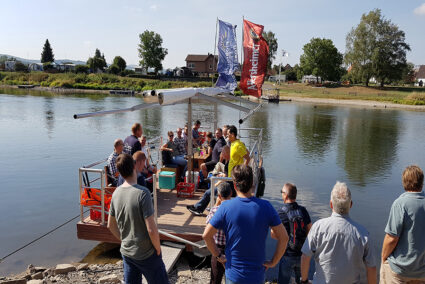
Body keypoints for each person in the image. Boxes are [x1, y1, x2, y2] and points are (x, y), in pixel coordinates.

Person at [203, 165, 289, 284]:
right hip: (257, 275)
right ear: (252, 183)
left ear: (234, 185)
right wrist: (274, 261)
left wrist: (218, 256)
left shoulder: (225, 207)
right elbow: (284, 238)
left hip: (233, 274)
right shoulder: (266, 207)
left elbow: (206, 235)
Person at [107, 153, 169, 284]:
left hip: (127, 252)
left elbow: (110, 226)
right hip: (146, 253)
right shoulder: (143, 193)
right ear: (134, 165)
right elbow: (151, 229)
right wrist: (158, 248)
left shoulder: (116, 193)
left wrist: (124, 240)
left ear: (120, 171)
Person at [300, 181, 376, 284]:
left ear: (331, 204)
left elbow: (305, 257)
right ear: (351, 204)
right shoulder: (363, 234)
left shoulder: (318, 227)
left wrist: (304, 281)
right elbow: (371, 268)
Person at [380, 165, 425, 283]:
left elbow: (391, 238)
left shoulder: (400, 204)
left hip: (400, 269)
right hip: (422, 271)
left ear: (404, 182)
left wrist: (383, 257)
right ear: (421, 182)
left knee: (385, 268)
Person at [276, 183, 312, 284]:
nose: (281, 194)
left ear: (286, 195)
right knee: (301, 281)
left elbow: (272, 234)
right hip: (302, 255)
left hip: (287, 254)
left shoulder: (281, 212)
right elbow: (310, 230)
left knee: (283, 282)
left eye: (282, 192)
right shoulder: (303, 210)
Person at [187, 146, 230, 216]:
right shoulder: (228, 162)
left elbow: (226, 177)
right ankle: (200, 207)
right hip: (226, 183)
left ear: (226, 153)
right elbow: (227, 175)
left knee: (208, 191)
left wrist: (218, 182)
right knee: (211, 187)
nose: (221, 154)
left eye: (223, 152)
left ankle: (198, 209)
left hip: (227, 186)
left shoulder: (229, 163)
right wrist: (221, 175)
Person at [206, 182, 233, 284]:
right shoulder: (235, 210)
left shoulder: (215, 211)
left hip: (217, 248)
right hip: (231, 248)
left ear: (219, 196)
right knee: (232, 278)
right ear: (231, 193)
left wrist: (216, 204)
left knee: (215, 279)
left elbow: (207, 223)